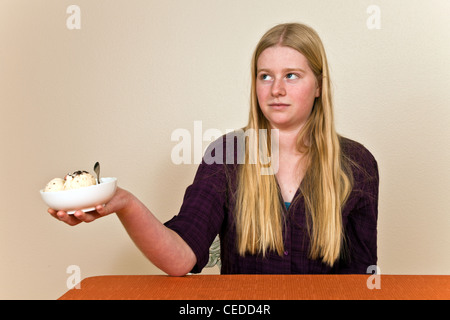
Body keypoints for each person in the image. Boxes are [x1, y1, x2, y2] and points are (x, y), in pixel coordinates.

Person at [49, 23, 379, 275]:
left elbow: (363, 278)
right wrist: (124, 202)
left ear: (319, 85)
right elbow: (181, 257)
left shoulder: (358, 164)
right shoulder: (226, 156)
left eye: (292, 75)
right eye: (265, 76)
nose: (277, 89)